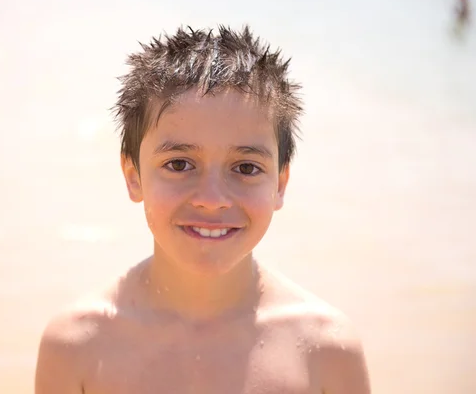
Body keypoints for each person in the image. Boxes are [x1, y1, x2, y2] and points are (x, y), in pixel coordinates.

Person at [35, 25, 371, 394]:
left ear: (280, 183)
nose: (212, 199)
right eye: (179, 164)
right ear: (133, 177)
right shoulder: (76, 347)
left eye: (245, 168)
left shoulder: (326, 351)